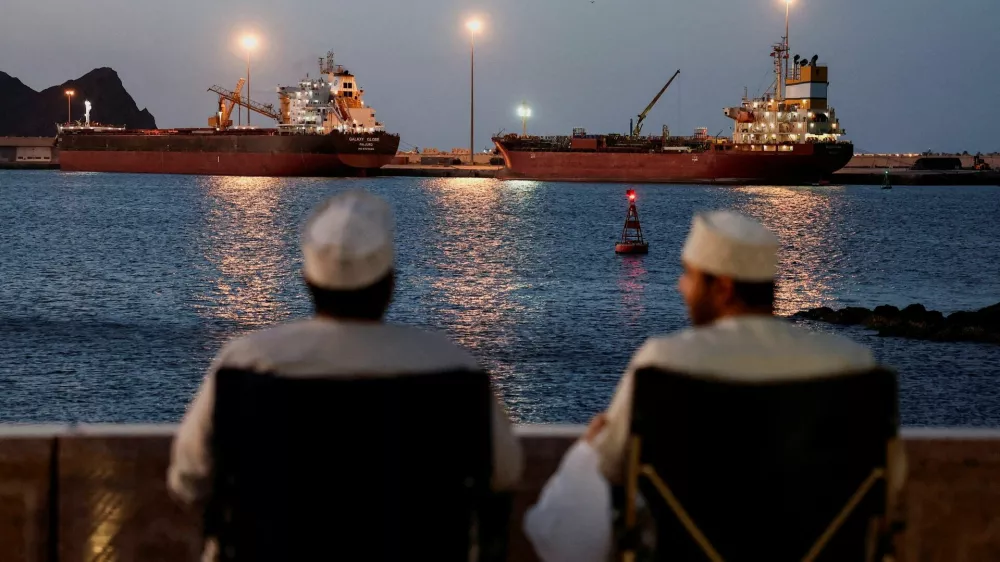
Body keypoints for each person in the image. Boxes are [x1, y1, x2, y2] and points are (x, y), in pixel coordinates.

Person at [524, 210, 905, 562]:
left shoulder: (663, 365)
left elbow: (611, 470)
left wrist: (593, 446)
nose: (679, 287)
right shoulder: (855, 368)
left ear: (722, 288)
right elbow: (890, 480)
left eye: (689, 275)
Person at [168, 189, 524, 557]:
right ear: (390, 284)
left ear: (307, 282)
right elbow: (505, 473)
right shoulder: (458, 370)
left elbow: (189, 477)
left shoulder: (242, 364)